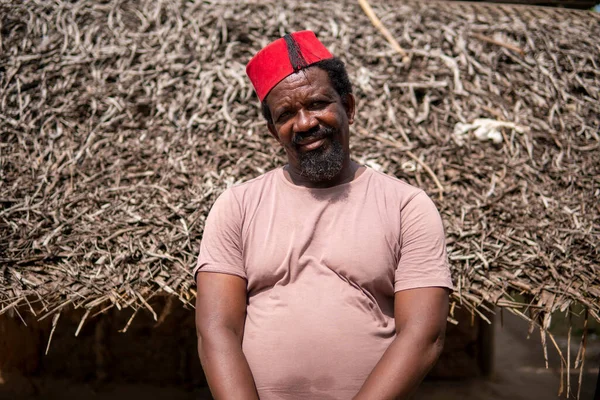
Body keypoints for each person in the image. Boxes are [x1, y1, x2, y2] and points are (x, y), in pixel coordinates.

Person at [194, 30, 453, 400]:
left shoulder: (406, 206)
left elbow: (424, 335)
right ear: (272, 129)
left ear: (348, 107)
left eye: (317, 103)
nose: (304, 123)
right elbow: (217, 330)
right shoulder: (236, 206)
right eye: (286, 114)